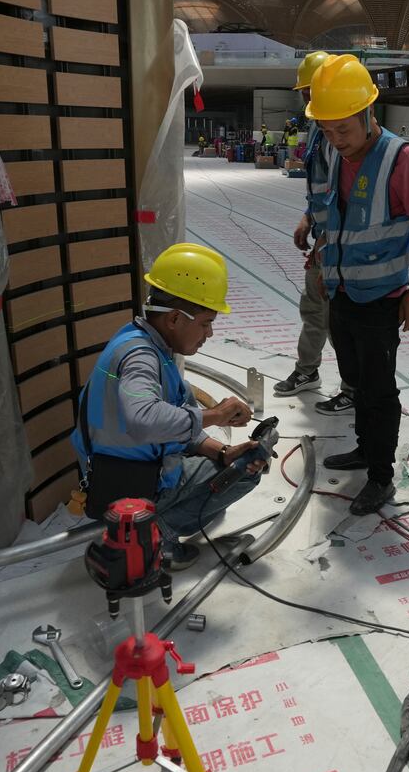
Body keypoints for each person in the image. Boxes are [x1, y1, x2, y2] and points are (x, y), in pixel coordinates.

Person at [72, 243, 267, 570]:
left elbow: (178, 423)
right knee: (245, 476)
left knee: (242, 463)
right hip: (127, 485)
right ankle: (156, 534)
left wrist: (221, 452)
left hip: (125, 470)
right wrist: (216, 414)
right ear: (176, 318)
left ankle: (154, 523)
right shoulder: (141, 358)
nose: (209, 333)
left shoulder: (146, 345)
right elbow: (144, 419)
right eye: (205, 323)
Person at [304, 55, 409, 515]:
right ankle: (365, 448)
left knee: (380, 392)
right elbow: (335, 222)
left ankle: (381, 477)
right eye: (327, 130)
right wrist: (323, 267)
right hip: (341, 293)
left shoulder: (402, 160)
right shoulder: (333, 157)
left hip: (382, 298)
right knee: (356, 382)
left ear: (368, 115)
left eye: (344, 129)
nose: (336, 140)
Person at [276, 51, 357, 415]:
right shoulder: (317, 125)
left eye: (313, 90)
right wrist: (309, 217)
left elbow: (346, 194)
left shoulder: (344, 130)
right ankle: (308, 371)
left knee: (342, 320)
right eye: (306, 92)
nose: (309, 99)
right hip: (325, 234)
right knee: (314, 309)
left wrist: (326, 242)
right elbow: (322, 185)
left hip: (341, 243)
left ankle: (354, 386)